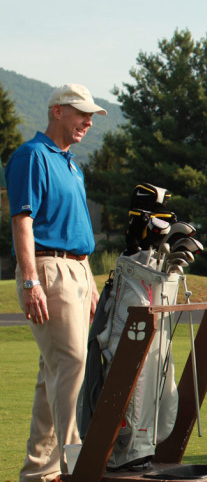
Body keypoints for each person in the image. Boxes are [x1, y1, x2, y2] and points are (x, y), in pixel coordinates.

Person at [6, 83, 103, 481]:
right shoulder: (31, 156)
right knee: (72, 362)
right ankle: (75, 466)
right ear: (57, 110)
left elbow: (77, 227)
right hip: (48, 268)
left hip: (78, 270)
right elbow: (22, 220)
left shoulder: (71, 164)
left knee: (54, 372)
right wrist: (30, 280)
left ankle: (38, 472)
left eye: (91, 116)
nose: (87, 121)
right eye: (81, 113)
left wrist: (91, 280)